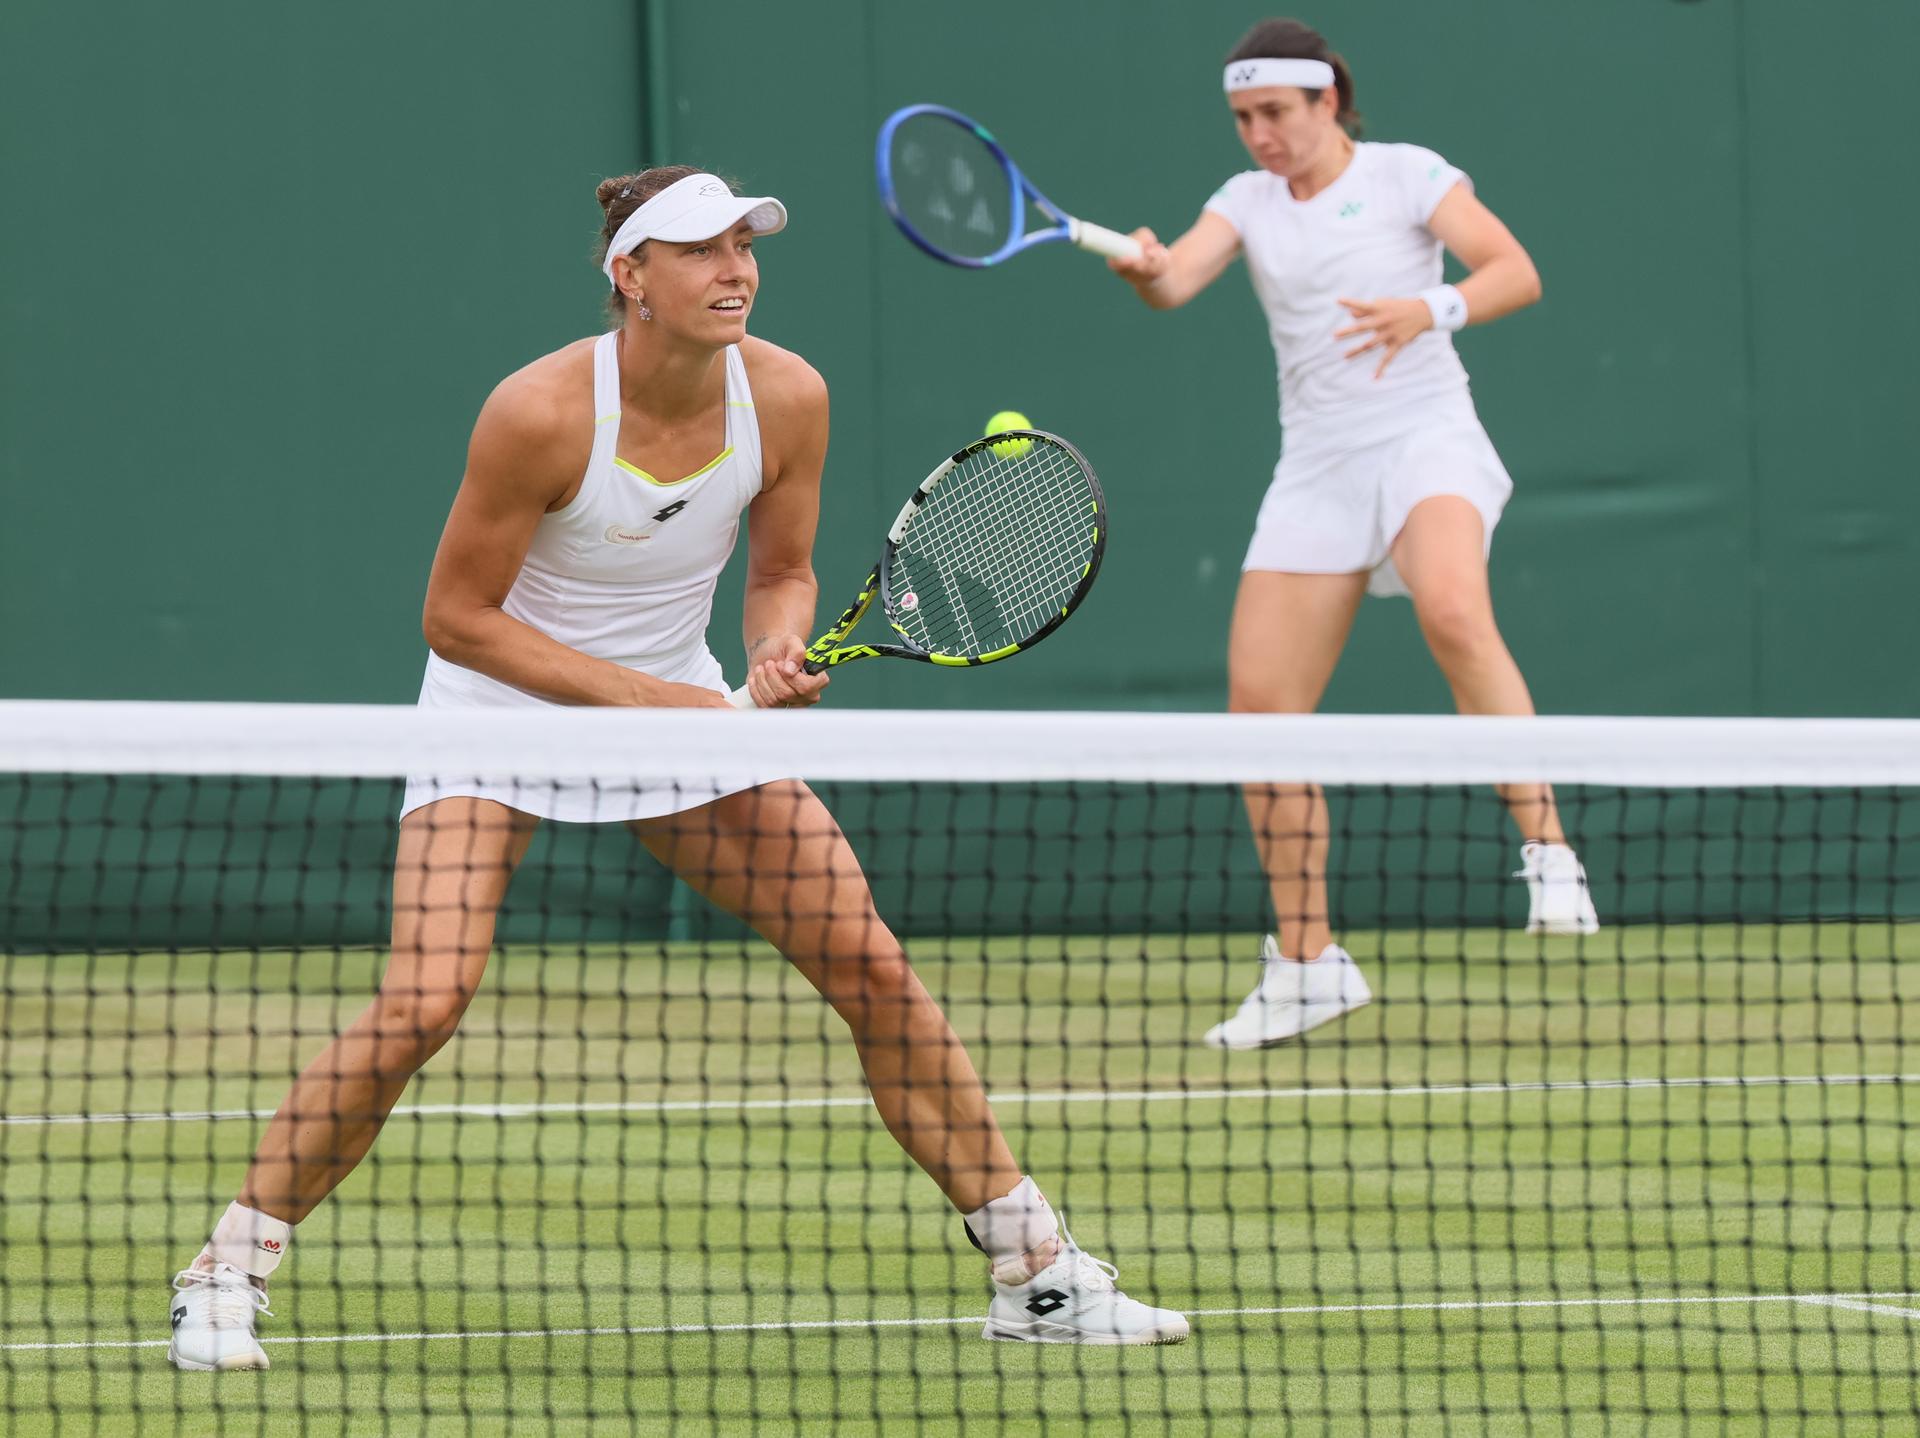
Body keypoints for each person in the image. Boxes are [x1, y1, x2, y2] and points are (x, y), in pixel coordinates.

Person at [166, 166, 1188, 1369]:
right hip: (501, 717)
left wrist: (772, 648)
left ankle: (1036, 1271)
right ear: (630, 276)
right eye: (700, 250)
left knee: (874, 970)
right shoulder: (539, 411)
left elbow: (780, 572)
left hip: (685, 720)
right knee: (422, 1002)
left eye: (746, 245)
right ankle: (223, 1272)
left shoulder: (788, 395)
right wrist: (667, 699)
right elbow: (457, 617)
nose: (736, 268)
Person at [1107, 19, 1600, 1051]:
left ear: (1327, 100)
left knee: (1455, 607)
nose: (1259, 136)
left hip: (1426, 437)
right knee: (1261, 715)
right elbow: (1176, 282)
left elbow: (1516, 268)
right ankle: (1307, 961)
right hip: (1318, 468)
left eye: (1276, 114)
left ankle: (1550, 854)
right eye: (1243, 118)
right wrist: (1144, 264)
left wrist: (1433, 307)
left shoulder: (1408, 174)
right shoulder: (1242, 201)